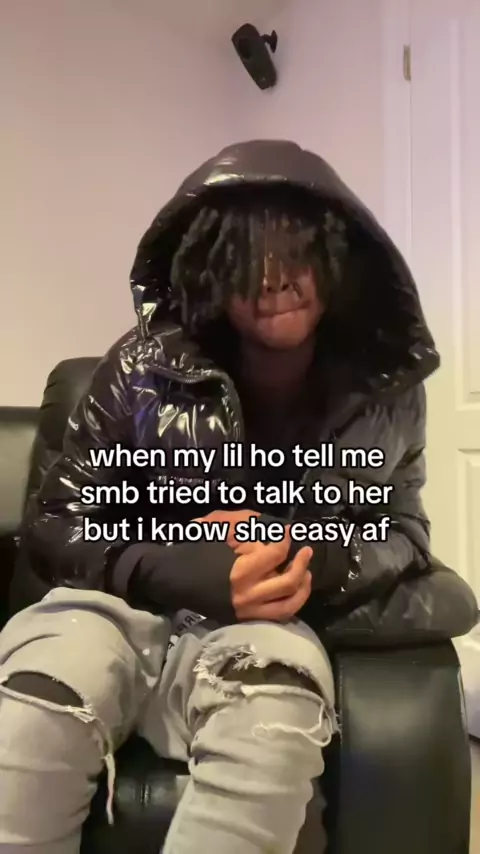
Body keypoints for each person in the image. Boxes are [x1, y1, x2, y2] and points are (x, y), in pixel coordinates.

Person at [0, 139, 444, 854]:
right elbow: (57, 521)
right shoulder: (137, 368)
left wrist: (305, 557)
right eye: (245, 255)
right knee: (38, 703)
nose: (275, 276)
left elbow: (404, 533)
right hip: (113, 612)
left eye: (297, 251)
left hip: (267, 628)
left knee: (271, 712)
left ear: (337, 258)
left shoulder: (384, 392)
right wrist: (177, 565)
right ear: (207, 266)